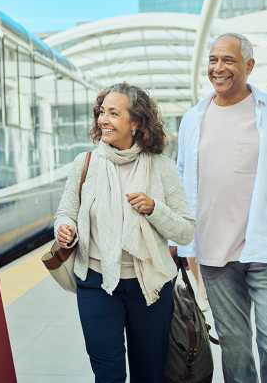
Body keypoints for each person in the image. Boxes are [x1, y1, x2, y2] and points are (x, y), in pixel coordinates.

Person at [55, 83, 194, 383]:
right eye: (102, 112)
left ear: (136, 122)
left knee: (149, 373)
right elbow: (65, 212)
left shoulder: (161, 167)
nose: (103, 119)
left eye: (114, 113)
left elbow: (185, 231)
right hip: (96, 283)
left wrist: (154, 208)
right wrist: (64, 228)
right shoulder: (85, 163)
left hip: (151, 288)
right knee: (107, 374)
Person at [177, 33, 267, 383]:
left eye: (228, 60)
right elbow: (180, 179)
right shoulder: (193, 119)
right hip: (215, 254)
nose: (218, 68)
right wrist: (180, 240)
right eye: (213, 60)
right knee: (235, 347)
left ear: (249, 66)